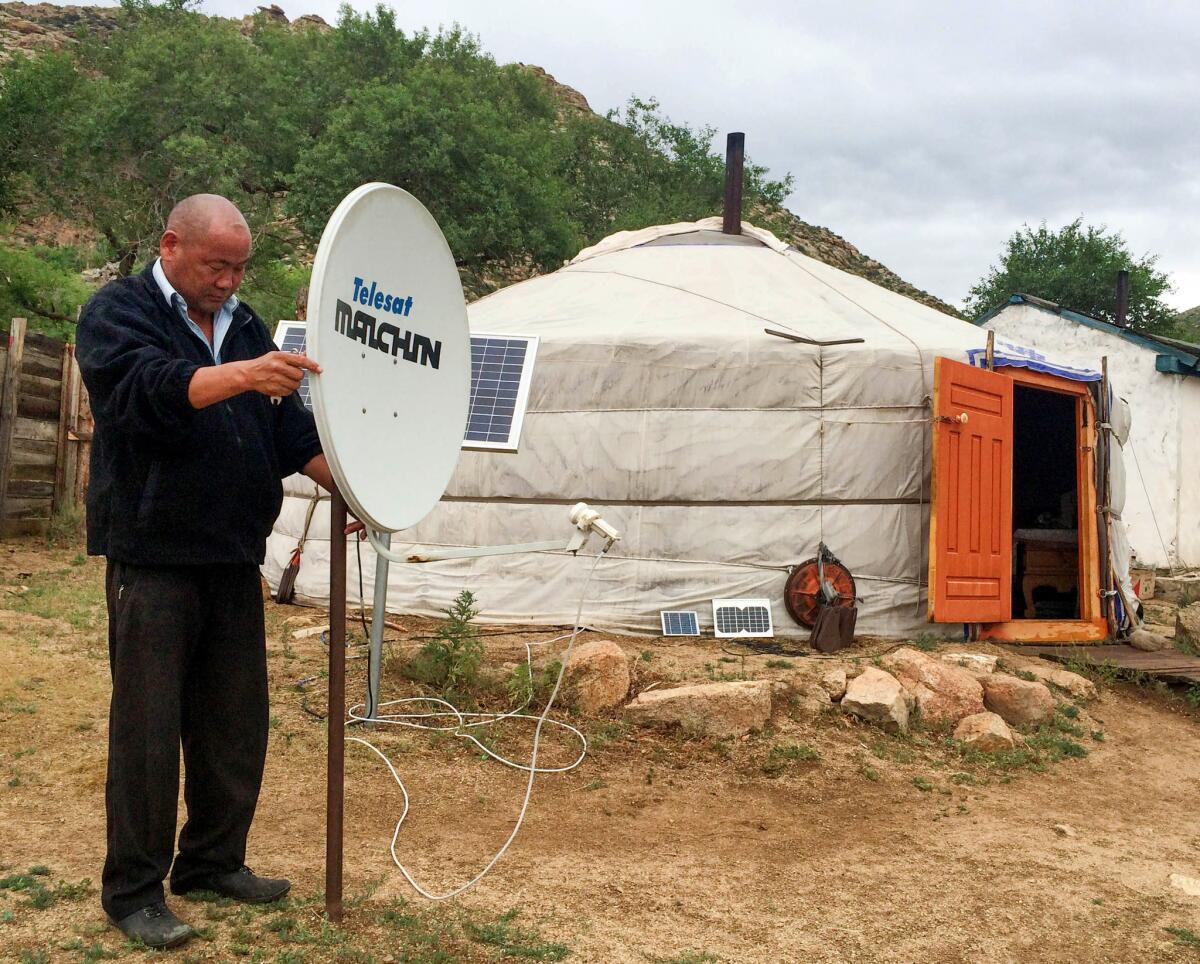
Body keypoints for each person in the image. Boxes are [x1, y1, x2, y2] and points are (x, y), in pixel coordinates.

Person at [76, 194, 341, 949]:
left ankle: (213, 863)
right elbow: (146, 393)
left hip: (231, 553)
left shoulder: (247, 326)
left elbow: (291, 433)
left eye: (238, 268)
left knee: (234, 726)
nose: (229, 281)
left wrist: (355, 488)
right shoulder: (117, 312)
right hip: (153, 555)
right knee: (149, 731)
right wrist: (240, 374)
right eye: (215, 265)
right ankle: (133, 892)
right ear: (170, 246)